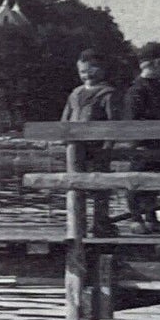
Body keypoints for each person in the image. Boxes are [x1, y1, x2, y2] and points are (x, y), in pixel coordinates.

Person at [122, 41, 160, 235]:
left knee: (154, 185)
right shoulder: (137, 89)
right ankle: (136, 219)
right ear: (156, 63)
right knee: (137, 183)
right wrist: (138, 143)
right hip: (143, 145)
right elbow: (132, 120)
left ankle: (151, 218)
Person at [61, 48, 120, 235]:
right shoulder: (75, 93)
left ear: (101, 69)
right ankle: (78, 223)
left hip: (99, 146)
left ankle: (100, 222)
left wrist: (108, 145)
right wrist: (64, 136)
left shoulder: (108, 93)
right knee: (77, 185)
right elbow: (65, 119)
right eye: (82, 72)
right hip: (76, 148)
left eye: (90, 70)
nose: (86, 75)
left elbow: (114, 122)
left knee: (100, 186)